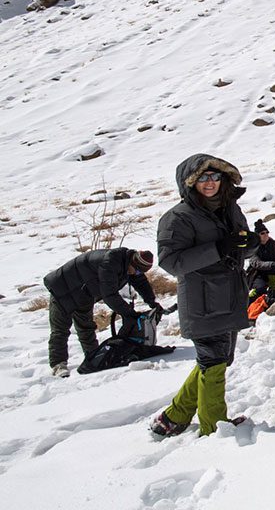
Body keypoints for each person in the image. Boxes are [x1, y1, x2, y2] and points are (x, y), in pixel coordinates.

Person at [151, 154, 257, 438]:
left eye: (215, 177)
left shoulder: (230, 208)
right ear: (190, 182)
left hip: (231, 295)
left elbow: (241, 246)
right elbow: (171, 261)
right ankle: (214, 428)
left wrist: (251, 244)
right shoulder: (178, 217)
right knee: (213, 362)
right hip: (202, 300)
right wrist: (219, 248)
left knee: (219, 359)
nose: (210, 183)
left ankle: (174, 416)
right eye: (202, 178)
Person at [43, 248, 160, 377]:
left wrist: (152, 302)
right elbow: (109, 294)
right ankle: (58, 364)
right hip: (62, 289)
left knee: (86, 327)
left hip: (84, 292)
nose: (136, 274)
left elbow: (140, 281)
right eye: (137, 270)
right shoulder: (110, 262)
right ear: (133, 263)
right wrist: (129, 313)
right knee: (60, 329)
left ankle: (93, 357)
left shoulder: (129, 263)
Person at [247, 219, 275, 301]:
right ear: (257, 235)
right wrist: (271, 264)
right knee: (260, 289)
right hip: (258, 274)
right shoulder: (253, 247)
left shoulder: (274, 245)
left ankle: (273, 291)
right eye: (262, 233)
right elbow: (255, 263)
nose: (266, 234)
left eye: (267, 232)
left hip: (272, 272)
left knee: (272, 293)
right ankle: (248, 301)